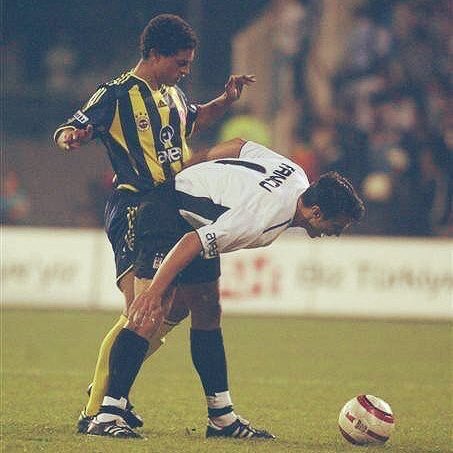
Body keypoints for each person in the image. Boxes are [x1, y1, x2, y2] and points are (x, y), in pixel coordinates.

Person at [53, 14, 255, 434]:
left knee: (181, 307)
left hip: (178, 207)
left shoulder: (173, 94)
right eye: (180, 63)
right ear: (155, 54)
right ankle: (99, 410)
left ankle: (118, 389)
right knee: (143, 310)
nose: (185, 71)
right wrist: (69, 136)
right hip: (137, 208)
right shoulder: (117, 93)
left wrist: (226, 100)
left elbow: (193, 120)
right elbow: (75, 125)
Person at [87, 138, 365, 439]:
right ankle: (107, 413)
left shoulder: (295, 174)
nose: (335, 234)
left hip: (195, 221)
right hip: (167, 213)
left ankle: (221, 418)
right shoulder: (261, 218)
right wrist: (154, 292)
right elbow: (192, 242)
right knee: (151, 312)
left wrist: (200, 161)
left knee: (207, 309)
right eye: (337, 226)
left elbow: (241, 145)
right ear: (317, 213)